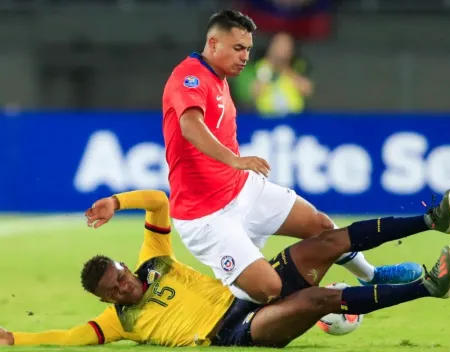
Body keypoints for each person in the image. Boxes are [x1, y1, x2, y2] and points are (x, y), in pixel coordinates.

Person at [162, 9, 424, 303]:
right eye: (238, 48)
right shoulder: (189, 77)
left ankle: (370, 274)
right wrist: (234, 160)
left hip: (240, 189)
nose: (245, 56)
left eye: (248, 49)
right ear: (213, 44)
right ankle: (231, 298)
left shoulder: (218, 77)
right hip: (206, 215)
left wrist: (235, 169)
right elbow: (189, 125)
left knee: (321, 226)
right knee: (267, 290)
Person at [0, 189, 450, 347]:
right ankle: (428, 287)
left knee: (327, 239)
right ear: (106, 300)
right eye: (114, 291)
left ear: (124, 266)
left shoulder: (153, 261)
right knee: (317, 300)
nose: (123, 287)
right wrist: (16, 338)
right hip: (235, 333)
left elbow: (160, 202)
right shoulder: (116, 323)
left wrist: (117, 202)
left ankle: (429, 220)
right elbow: (66, 337)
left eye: (120, 276)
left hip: (248, 291)